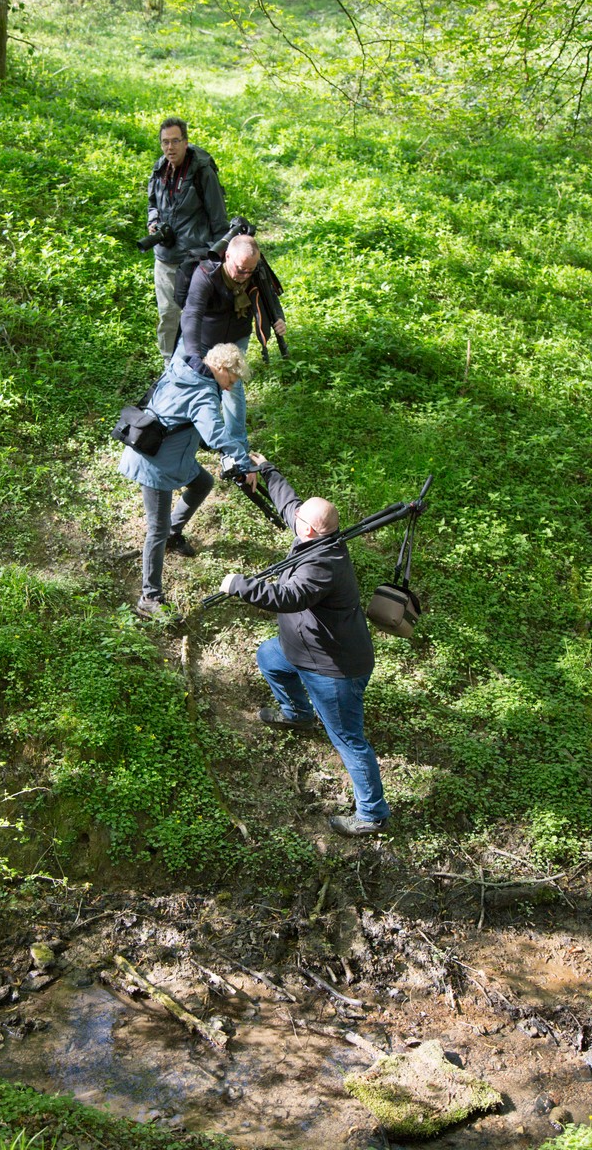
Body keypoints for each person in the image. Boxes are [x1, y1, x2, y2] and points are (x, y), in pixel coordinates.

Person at [219, 453, 391, 837]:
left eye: (299, 522)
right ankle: (297, 712)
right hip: (299, 647)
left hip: (333, 668)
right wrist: (266, 470)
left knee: (348, 739)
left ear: (310, 531)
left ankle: (372, 814)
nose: (291, 519)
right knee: (268, 657)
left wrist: (239, 586)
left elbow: (288, 598)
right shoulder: (315, 533)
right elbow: (289, 504)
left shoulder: (322, 565)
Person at [119, 343, 256, 616]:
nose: (230, 387)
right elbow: (215, 434)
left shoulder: (182, 368)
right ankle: (149, 598)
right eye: (231, 379)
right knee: (155, 529)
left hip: (168, 455)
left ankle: (174, 532)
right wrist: (244, 461)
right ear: (221, 370)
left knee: (203, 483)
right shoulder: (203, 394)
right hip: (156, 465)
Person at [177, 234, 287, 448]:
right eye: (240, 269)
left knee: (232, 389)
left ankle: (237, 444)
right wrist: (193, 355)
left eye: (250, 270)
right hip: (203, 337)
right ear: (227, 256)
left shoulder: (255, 272)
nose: (244, 275)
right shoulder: (207, 274)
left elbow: (270, 296)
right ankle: (186, 437)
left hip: (236, 337)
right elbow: (192, 313)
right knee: (193, 383)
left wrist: (279, 318)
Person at [147, 117, 230, 364]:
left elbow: (218, 219)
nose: (169, 147)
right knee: (168, 315)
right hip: (165, 257)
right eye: (165, 142)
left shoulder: (202, 171)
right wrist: (153, 222)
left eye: (175, 141)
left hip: (196, 259)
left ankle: (202, 365)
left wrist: (218, 260)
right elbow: (152, 205)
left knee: (197, 314)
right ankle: (169, 365)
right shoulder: (159, 169)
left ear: (185, 141)